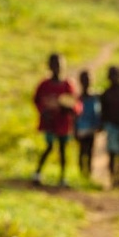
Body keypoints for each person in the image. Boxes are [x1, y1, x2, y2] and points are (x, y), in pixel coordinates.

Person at [32, 53, 81, 187]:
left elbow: (75, 103)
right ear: (49, 66)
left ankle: (63, 178)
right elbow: (36, 100)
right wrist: (43, 112)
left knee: (63, 149)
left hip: (63, 123)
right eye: (54, 65)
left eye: (59, 65)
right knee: (49, 146)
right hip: (49, 123)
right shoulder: (44, 85)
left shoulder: (67, 85)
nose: (57, 68)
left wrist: (71, 109)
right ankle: (37, 173)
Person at [74, 69, 102, 178]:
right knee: (82, 151)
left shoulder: (96, 96)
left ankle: (88, 174)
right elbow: (75, 115)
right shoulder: (78, 98)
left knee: (90, 151)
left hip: (91, 128)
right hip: (81, 128)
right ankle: (81, 174)